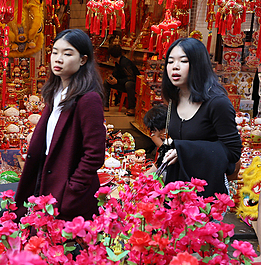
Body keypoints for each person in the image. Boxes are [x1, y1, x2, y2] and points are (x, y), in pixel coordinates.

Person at [14, 29, 106, 221]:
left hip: (68, 189)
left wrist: (72, 189)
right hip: (48, 178)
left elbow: (94, 154)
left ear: (83, 60)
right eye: (55, 52)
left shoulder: (88, 99)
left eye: (67, 53)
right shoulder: (56, 92)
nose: (58, 58)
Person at [159, 38, 242, 197]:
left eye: (183, 61)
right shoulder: (174, 99)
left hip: (207, 191)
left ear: (198, 64)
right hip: (177, 187)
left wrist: (184, 151)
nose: (175, 66)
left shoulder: (217, 103)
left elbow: (232, 152)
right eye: (170, 61)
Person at [103, 45, 139, 116]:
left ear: (111, 55)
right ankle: (105, 105)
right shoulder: (117, 62)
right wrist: (111, 78)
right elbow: (116, 74)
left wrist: (117, 81)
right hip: (123, 83)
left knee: (129, 84)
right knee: (106, 83)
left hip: (134, 85)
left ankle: (132, 108)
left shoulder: (125, 62)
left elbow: (131, 78)